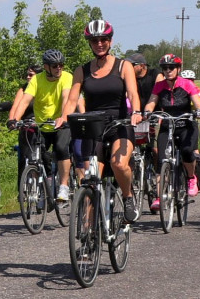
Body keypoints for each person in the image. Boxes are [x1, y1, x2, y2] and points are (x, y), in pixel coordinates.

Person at [56, 19, 142, 222]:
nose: (99, 44)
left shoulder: (124, 66)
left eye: (103, 39)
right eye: (95, 41)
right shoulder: (82, 71)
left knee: (119, 164)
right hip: (93, 127)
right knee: (90, 181)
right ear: (90, 43)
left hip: (119, 124)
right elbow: (72, 100)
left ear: (110, 41)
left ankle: (128, 196)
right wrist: (63, 117)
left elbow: (132, 92)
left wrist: (136, 111)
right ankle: (87, 236)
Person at [8, 49, 73, 201]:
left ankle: (64, 186)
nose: (59, 68)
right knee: (36, 156)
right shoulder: (37, 80)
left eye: (61, 65)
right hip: (42, 125)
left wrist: (63, 117)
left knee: (61, 148)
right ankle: (41, 188)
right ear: (46, 67)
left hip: (60, 123)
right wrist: (15, 119)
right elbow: (24, 101)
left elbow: (65, 98)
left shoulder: (66, 77)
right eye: (55, 65)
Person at [143, 54, 200, 206]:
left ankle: (191, 178)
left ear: (178, 69)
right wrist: (147, 112)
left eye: (171, 67)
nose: (168, 70)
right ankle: (160, 196)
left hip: (186, 125)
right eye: (165, 68)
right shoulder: (159, 86)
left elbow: (198, 103)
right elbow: (151, 103)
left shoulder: (187, 84)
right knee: (162, 159)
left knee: (186, 151)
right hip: (167, 125)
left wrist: (199, 110)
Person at [11, 62, 42, 184]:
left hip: (43, 124)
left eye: (31, 75)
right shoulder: (23, 89)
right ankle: (23, 190)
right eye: (27, 75)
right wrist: (13, 120)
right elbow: (16, 107)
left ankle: (47, 182)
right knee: (24, 157)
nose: (28, 77)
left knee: (45, 155)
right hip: (27, 125)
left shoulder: (45, 87)